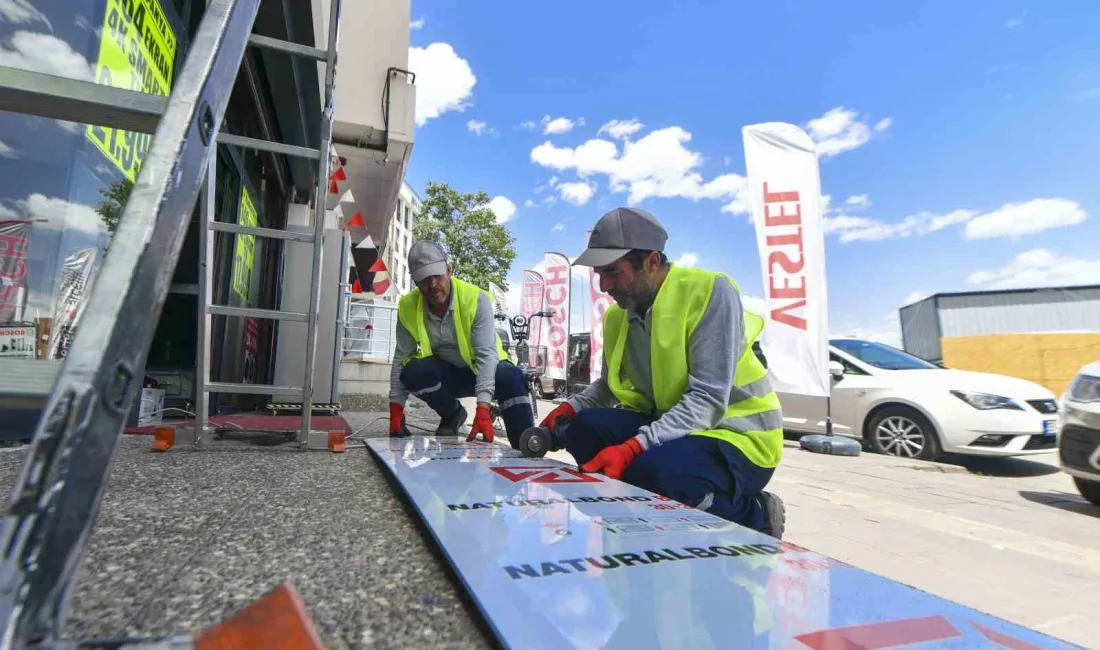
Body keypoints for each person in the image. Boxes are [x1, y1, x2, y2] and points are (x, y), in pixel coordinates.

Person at [538, 207, 787, 538]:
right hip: (677, 428)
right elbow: (607, 388)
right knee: (583, 429)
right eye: (599, 274)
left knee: (654, 472)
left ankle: (756, 514)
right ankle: (634, 513)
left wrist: (634, 448)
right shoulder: (617, 317)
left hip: (739, 436)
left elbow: (708, 400)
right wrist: (570, 408)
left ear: (652, 262)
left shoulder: (709, 293)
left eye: (612, 272)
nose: (604, 284)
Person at [388, 241, 535, 447]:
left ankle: (526, 443)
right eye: (424, 280)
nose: (432, 285)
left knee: (512, 376)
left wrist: (483, 408)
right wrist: (396, 407)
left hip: (486, 371)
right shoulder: (407, 306)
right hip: (448, 378)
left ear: (448, 271)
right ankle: (453, 414)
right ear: (415, 281)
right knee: (412, 371)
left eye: (437, 276)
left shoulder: (475, 299)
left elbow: (486, 356)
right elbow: (400, 358)